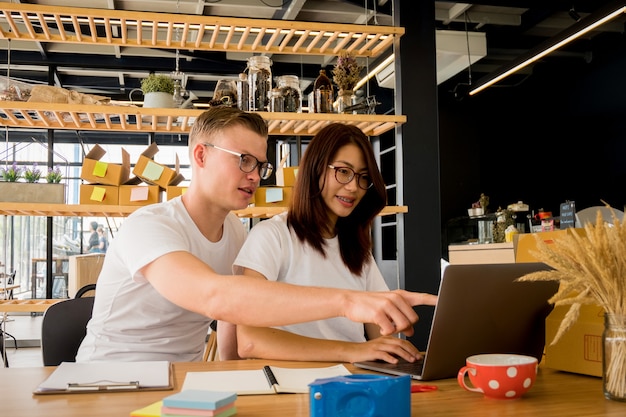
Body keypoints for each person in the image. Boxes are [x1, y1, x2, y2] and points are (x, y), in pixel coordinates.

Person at [76, 107, 430, 363]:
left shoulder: (234, 232)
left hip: (183, 374)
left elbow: (233, 323)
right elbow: (214, 297)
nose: (256, 175)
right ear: (200, 155)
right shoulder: (150, 225)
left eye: (260, 165)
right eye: (244, 160)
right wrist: (348, 301)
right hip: (111, 376)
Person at [228, 124, 437, 363]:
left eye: (363, 177)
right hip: (294, 387)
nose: (353, 187)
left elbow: (377, 332)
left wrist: (400, 349)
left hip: (354, 381)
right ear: (315, 169)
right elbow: (249, 340)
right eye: (343, 171)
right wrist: (351, 351)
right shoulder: (272, 235)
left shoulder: (357, 249)